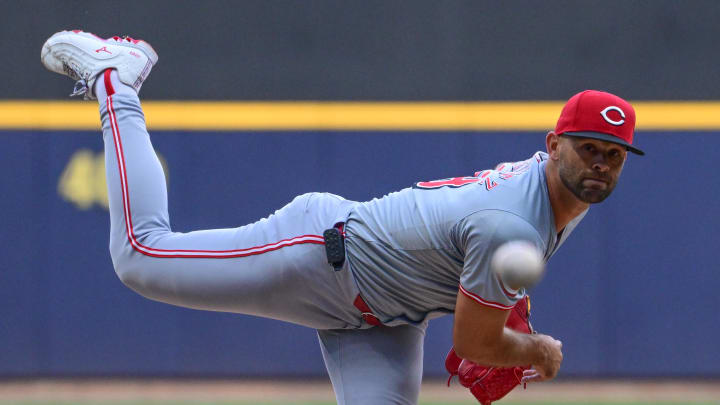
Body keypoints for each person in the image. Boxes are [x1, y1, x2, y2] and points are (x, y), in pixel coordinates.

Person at [41, 30, 643, 405]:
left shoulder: (569, 192)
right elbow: (472, 340)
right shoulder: (512, 221)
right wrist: (533, 349)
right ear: (554, 143)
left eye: (613, 155)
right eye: (588, 147)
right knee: (140, 256)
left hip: (388, 321)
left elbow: (475, 269)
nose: (601, 165)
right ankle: (117, 79)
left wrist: (500, 315)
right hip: (322, 259)